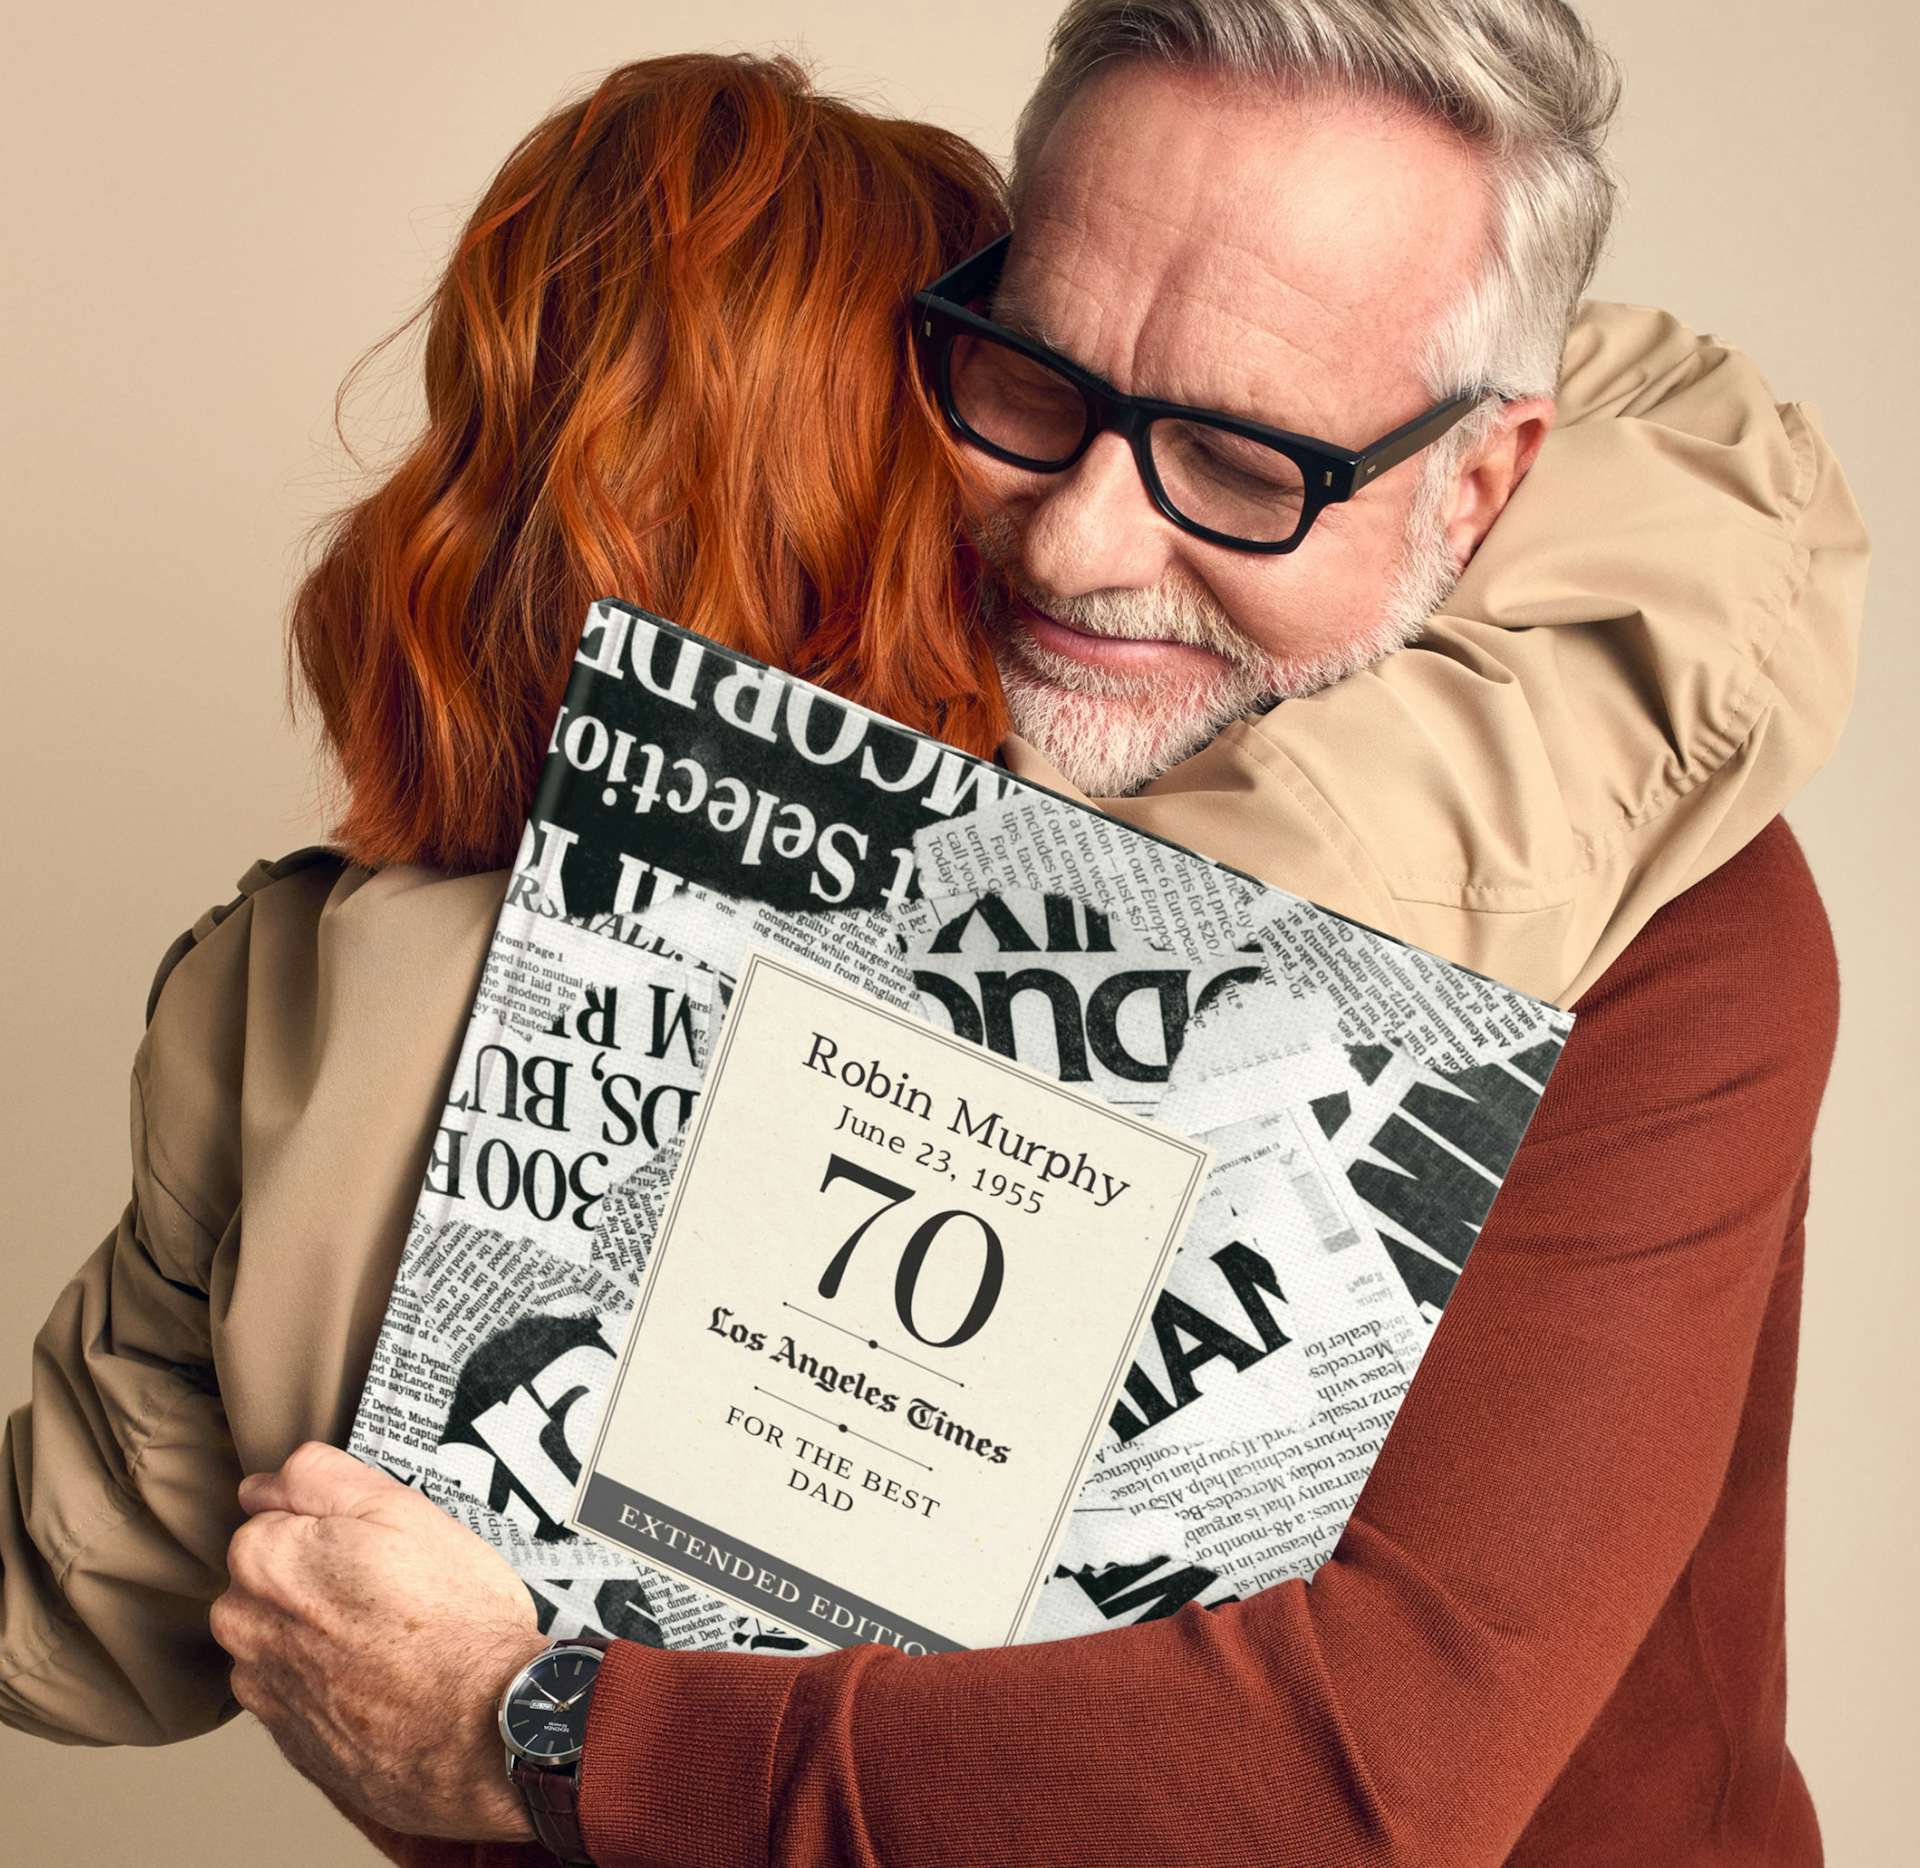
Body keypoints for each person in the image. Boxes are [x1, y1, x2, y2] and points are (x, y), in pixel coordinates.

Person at [0, 3, 1862, 1860]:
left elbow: (1354, 1784)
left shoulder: (1676, 930)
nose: (1074, 549)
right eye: (1031, 386)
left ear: (1479, 478)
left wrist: (529, 1727)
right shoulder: (771, 782)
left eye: (1237, 460)